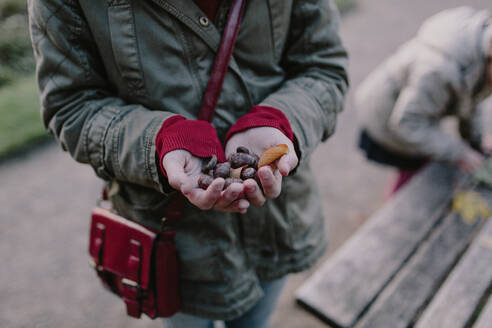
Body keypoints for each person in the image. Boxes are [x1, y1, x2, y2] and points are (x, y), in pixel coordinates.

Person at [28, 0, 348, 327]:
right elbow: (72, 106)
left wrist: (280, 120)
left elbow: (323, 66)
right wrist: (159, 140)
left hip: (274, 226)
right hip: (177, 244)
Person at [356, 6, 492, 195]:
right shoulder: (438, 71)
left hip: (410, 110)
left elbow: (471, 99)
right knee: (417, 169)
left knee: (432, 154)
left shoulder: (480, 50)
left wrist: (474, 141)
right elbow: (407, 124)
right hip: (386, 118)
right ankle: (400, 212)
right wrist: (460, 152)